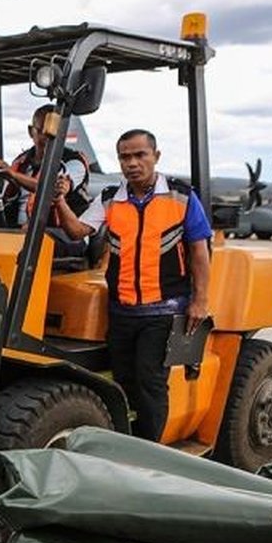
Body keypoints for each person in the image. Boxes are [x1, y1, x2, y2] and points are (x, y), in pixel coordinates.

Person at [53, 129, 212, 442]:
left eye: (140, 155)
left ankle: (149, 451)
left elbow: (199, 251)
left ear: (156, 156)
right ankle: (126, 442)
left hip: (163, 311)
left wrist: (200, 300)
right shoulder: (111, 198)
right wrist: (59, 200)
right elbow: (77, 231)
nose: (132, 163)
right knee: (123, 381)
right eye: (125, 157)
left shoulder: (181, 197)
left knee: (149, 381)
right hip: (122, 311)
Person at [0, 103, 90, 231]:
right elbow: (4, 201)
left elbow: (49, 188)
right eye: (42, 132)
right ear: (31, 132)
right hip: (19, 232)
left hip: (61, 233)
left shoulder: (74, 163)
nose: (48, 139)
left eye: (54, 133)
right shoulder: (20, 163)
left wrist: (13, 174)